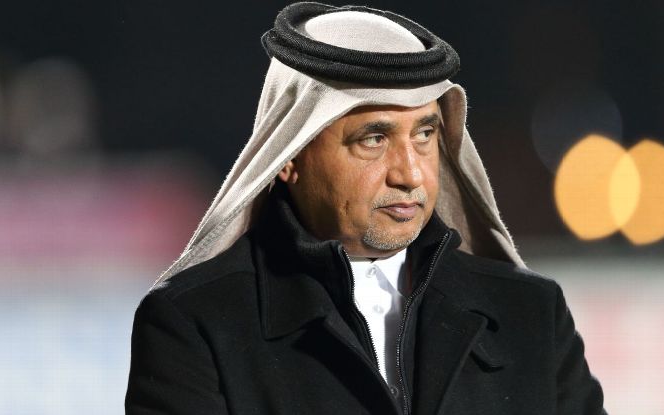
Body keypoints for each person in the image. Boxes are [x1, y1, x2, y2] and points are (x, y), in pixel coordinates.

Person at [125, 3, 606, 414]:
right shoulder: (193, 325)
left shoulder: (531, 315)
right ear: (288, 155)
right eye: (374, 139)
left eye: (425, 134)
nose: (411, 174)